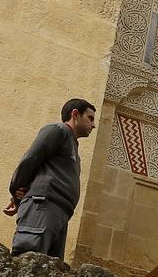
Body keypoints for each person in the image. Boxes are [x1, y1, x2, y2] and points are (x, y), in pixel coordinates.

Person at [7, 98, 96, 258]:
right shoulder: (58, 130)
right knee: (30, 258)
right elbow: (30, 159)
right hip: (42, 206)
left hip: (58, 213)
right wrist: (16, 192)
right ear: (75, 114)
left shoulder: (72, 143)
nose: (93, 125)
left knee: (47, 270)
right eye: (90, 118)